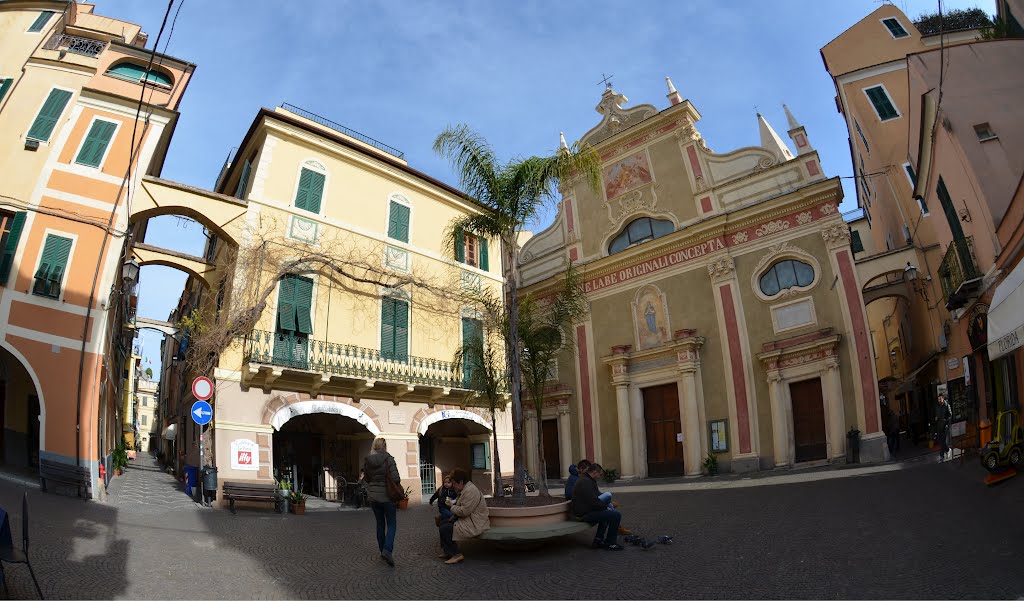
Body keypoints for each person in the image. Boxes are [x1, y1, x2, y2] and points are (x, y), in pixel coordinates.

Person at [362, 437, 400, 566]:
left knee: (380, 524)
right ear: (385, 446)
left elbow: (366, 479)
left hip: (374, 497)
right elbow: (396, 478)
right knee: (391, 524)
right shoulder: (388, 459)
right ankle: (387, 550)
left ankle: (381, 550)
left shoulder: (368, 460)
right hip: (387, 497)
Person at [438, 467, 489, 564]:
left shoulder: (470, 491)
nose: (453, 486)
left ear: (461, 482)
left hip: (474, 522)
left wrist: (452, 506)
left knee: (446, 528)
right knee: (443, 522)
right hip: (468, 519)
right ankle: (448, 551)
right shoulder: (465, 489)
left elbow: (464, 511)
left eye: (454, 483)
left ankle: (456, 554)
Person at [571, 462, 624, 551]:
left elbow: (596, 496)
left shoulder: (588, 480)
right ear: (595, 472)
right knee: (615, 515)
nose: (600, 476)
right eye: (600, 474)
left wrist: (607, 503)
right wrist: (605, 507)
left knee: (608, 514)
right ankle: (610, 543)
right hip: (583, 514)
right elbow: (593, 501)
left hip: (586, 510)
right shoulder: (585, 482)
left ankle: (597, 541)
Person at [936, 394, 952, 460]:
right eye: (938, 399)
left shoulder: (946, 405)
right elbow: (937, 414)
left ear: (943, 399)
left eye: (940, 399)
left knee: (944, 441)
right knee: (941, 440)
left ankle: (942, 455)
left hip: (945, 425)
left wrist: (945, 421)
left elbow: (950, 415)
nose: (939, 400)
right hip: (939, 425)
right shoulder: (937, 406)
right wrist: (936, 417)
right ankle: (948, 450)